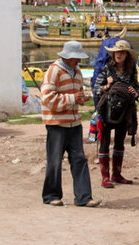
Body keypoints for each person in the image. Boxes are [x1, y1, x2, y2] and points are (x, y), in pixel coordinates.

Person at [40, 41, 100, 207]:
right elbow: (47, 99)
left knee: (79, 159)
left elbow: (75, 95)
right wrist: (73, 98)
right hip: (57, 123)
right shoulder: (54, 71)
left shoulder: (77, 71)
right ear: (68, 57)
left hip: (74, 122)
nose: (78, 62)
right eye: (76, 59)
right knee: (54, 160)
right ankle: (51, 195)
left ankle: (84, 197)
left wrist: (81, 98)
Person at [93, 39, 139, 187]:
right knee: (105, 143)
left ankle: (117, 174)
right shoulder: (107, 69)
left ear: (127, 55)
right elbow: (96, 88)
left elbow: (137, 87)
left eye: (121, 52)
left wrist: (135, 92)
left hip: (124, 111)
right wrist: (106, 86)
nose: (118, 55)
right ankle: (105, 177)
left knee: (120, 143)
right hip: (107, 110)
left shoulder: (132, 70)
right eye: (116, 52)